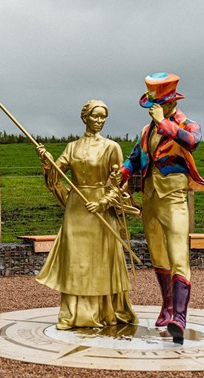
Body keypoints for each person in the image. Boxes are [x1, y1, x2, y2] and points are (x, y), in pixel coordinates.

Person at [117, 72, 204, 343]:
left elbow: (192, 142)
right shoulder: (146, 131)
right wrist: (124, 172)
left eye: (156, 106)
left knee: (178, 255)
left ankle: (180, 318)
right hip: (150, 200)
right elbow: (135, 155)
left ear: (171, 104)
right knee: (158, 255)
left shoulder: (187, 124)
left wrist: (165, 123)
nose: (152, 112)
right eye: (151, 108)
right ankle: (167, 306)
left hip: (174, 199)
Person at [35, 99, 137, 330]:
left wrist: (102, 203)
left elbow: (120, 184)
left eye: (103, 117)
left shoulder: (112, 147)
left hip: (100, 211)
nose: (99, 121)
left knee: (100, 259)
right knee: (75, 260)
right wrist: (46, 160)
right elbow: (56, 174)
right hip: (76, 210)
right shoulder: (72, 147)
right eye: (95, 116)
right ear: (85, 118)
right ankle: (72, 313)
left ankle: (102, 312)